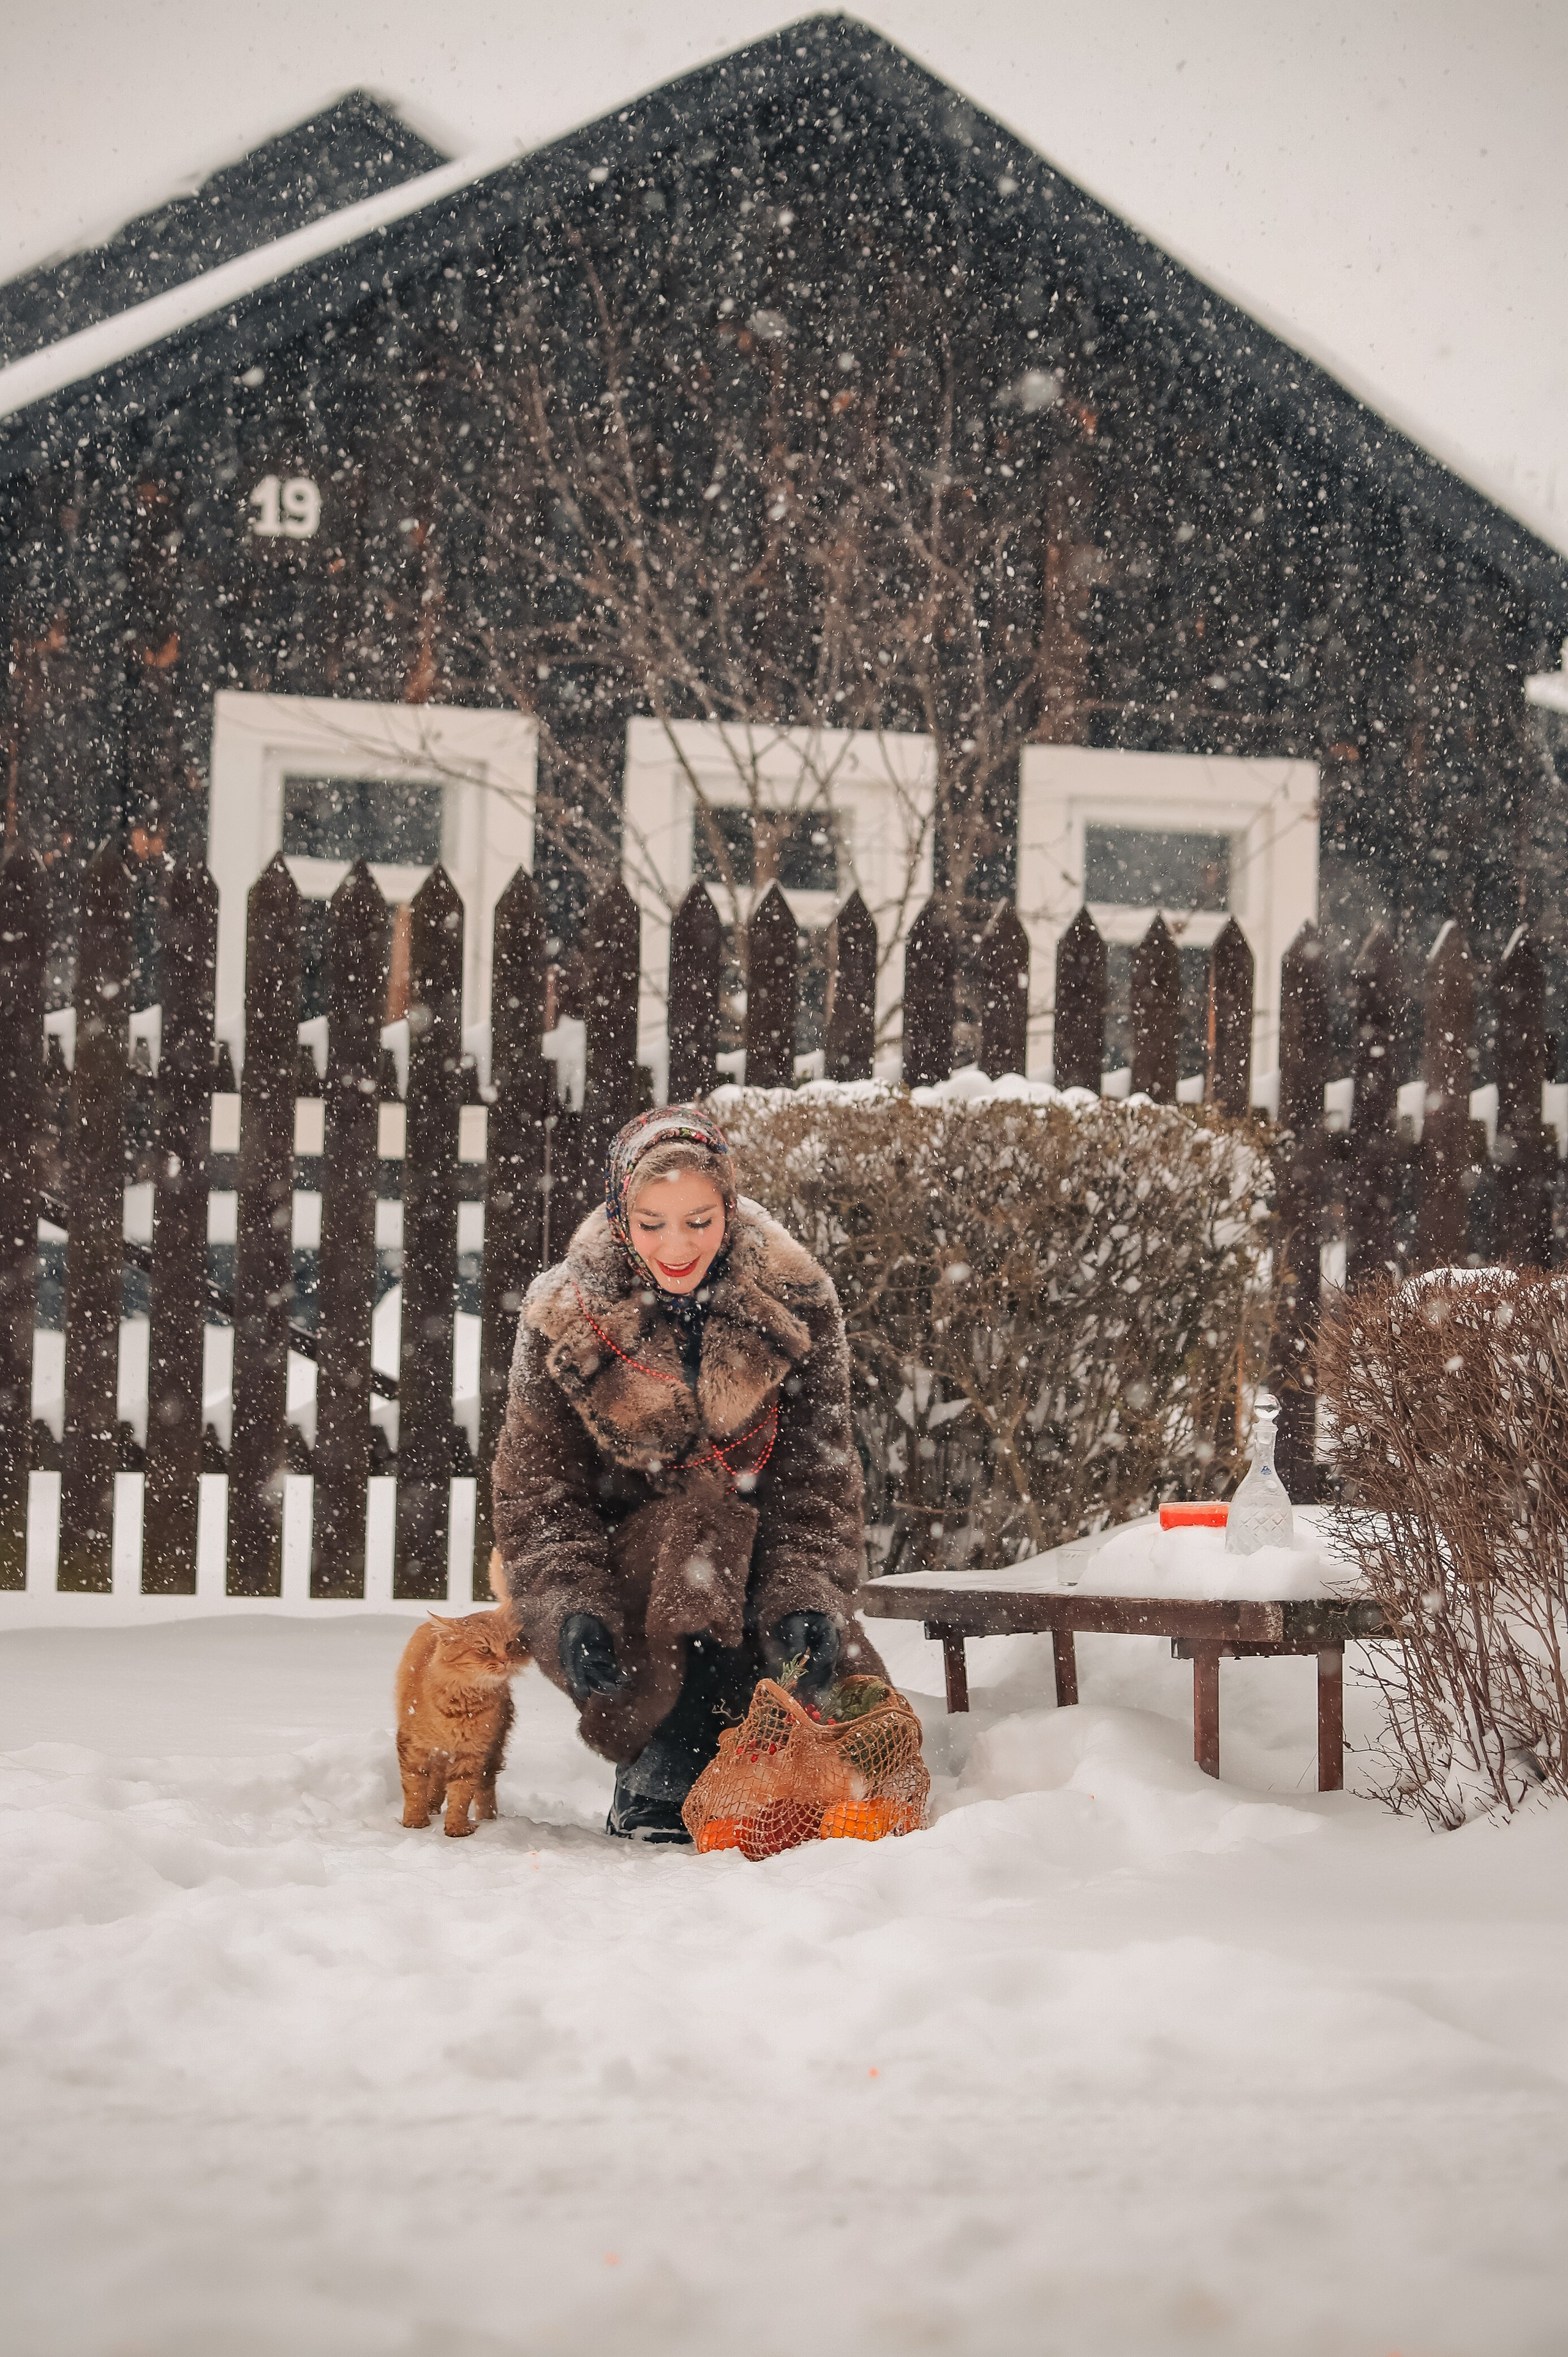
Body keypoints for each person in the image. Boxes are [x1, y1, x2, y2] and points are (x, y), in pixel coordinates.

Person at [491, 1103, 884, 1841]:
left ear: (728, 1208)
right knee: (697, 1535)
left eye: (700, 1221)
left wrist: (807, 1596)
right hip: (633, 1578)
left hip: (762, 1564)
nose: (677, 1246)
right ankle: (664, 1765)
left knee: (847, 1715)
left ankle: (764, 1760)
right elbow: (539, 1496)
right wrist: (571, 1609)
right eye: (652, 1223)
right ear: (621, 1214)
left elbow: (818, 1481)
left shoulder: (797, 1300)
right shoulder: (561, 1315)